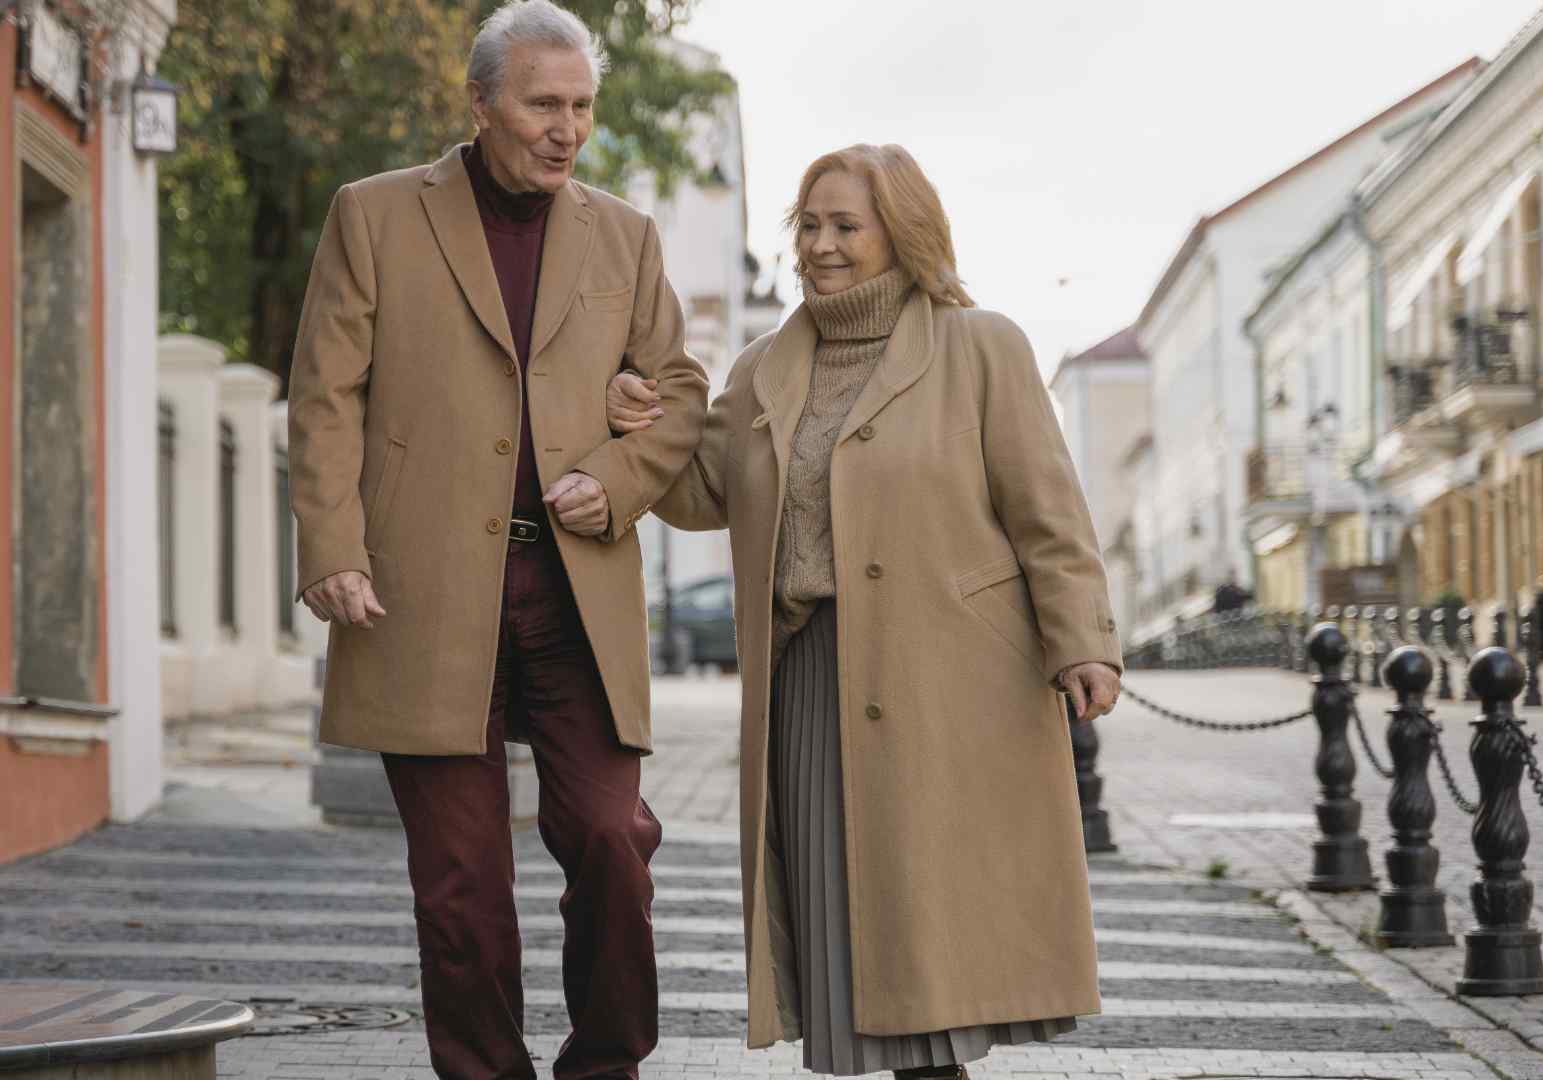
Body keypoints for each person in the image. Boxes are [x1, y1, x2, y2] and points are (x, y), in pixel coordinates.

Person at [606, 144, 1122, 1078]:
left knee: (934, 925)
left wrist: (1083, 642)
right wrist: (636, 421)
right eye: (808, 225)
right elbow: (698, 489)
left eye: (847, 225)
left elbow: (1048, 511)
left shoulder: (980, 345)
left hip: (954, 678)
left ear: (902, 233)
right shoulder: (764, 368)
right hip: (811, 680)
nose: (822, 245)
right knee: (852, 922)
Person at [285, 2, 708, 1076]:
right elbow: (324, 397)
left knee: (612, 839)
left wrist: (616, 481)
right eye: (543, 105)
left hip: (576, 592)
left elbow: (677, 391)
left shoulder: (625, 234)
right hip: (421, 589)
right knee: (462, 884)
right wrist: (333, 546)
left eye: (582, 107)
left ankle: (606, 1064)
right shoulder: (374, 215)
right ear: (480, 104)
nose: (568, 130)